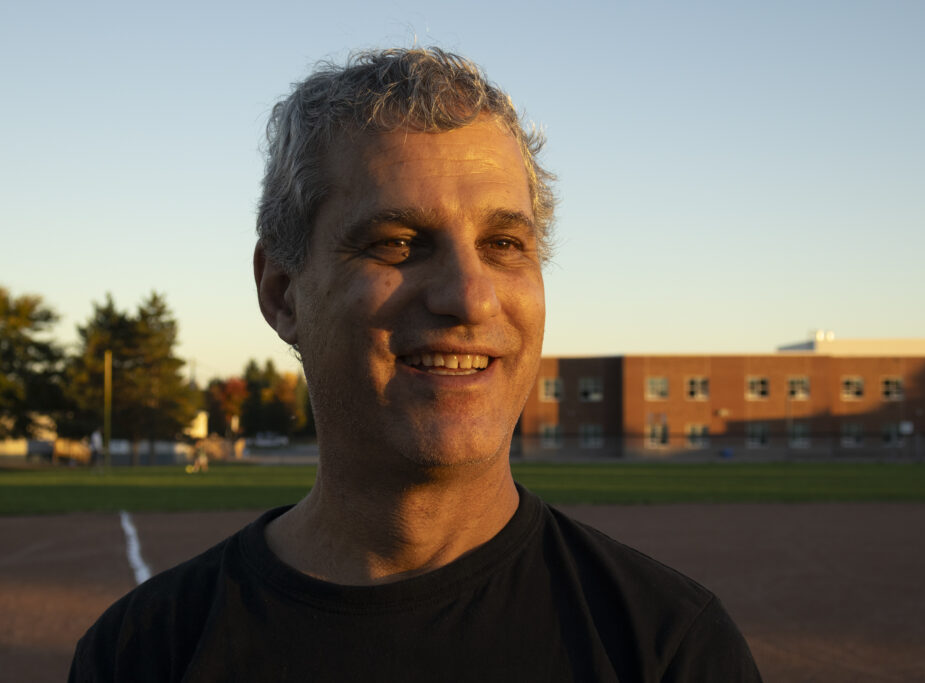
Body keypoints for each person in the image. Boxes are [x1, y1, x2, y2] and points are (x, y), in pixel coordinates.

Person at [70, 47, 761, 681]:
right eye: (399, 243)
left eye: (503, 243)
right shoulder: (143, 653)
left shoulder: (669, 647)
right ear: (282, 293)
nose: (469, 295)